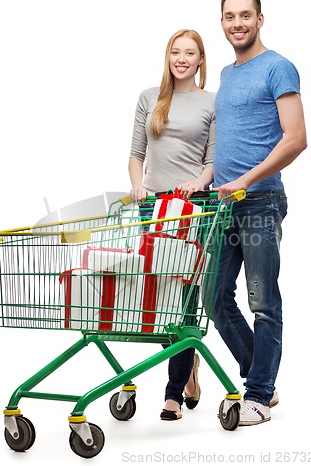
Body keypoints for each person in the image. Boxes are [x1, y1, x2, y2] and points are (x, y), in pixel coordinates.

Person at [210, 0, 307, 426]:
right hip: (223, 206)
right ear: (223, 22)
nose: (237, 23)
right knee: (214, 299)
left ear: (260, 19)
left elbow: (296, 138)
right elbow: (227, 146)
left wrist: (246, 182)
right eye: (230, 16)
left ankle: (258, 395)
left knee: (263, 302)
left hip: (260, 201)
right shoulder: (228, 76)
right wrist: (209, 179)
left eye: (245, 15)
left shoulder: (278, 67)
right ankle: (262, 381)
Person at [129, 29, 216, 420]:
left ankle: (173, 394)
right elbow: (136, 153)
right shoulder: (150, 97)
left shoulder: (212, 103)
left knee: (183, 295)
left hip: (191, 207)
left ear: (200, 60)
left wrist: (199, 182)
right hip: (152, 206)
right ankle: (189, 365)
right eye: (175, 52)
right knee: (158, 291)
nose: (181, 58)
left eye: (190, 53)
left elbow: (214, 159)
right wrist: (136, 185)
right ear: (168, 56)